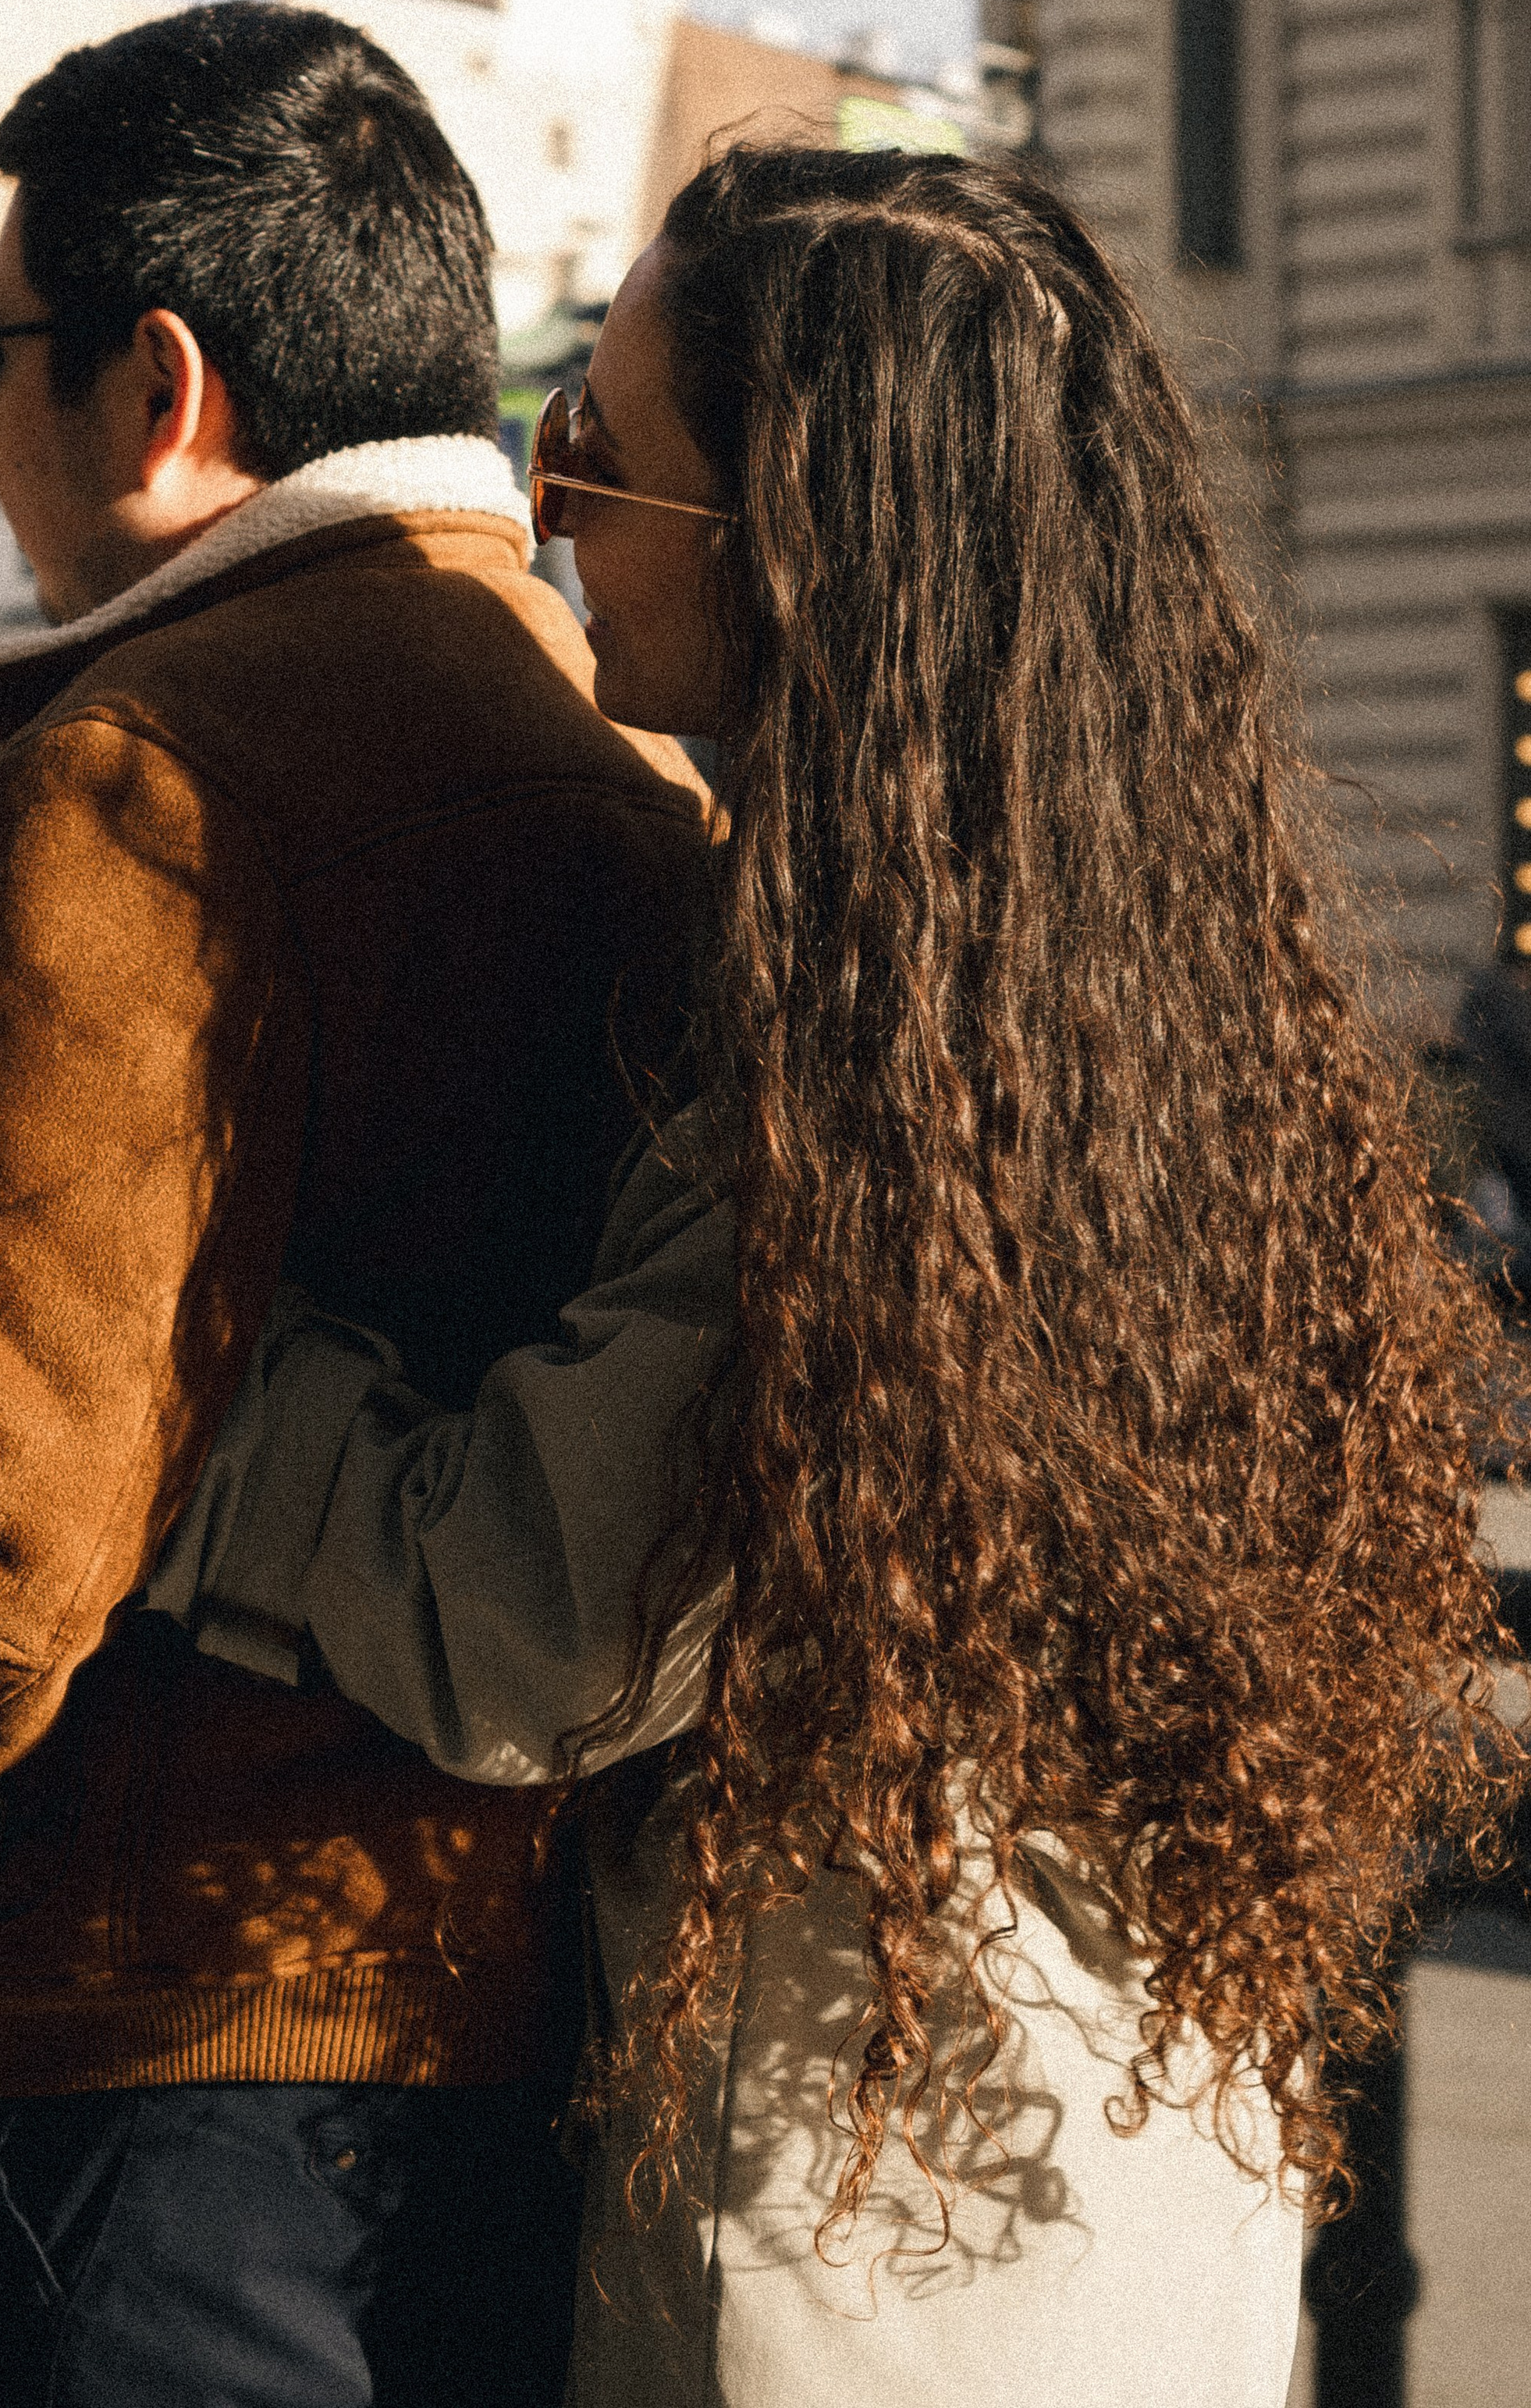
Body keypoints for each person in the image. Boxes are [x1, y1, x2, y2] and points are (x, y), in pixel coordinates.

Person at [156, 143, 1527, 2406]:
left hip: (852, 2264)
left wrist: (195, 1362)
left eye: (597, 441)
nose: (544, 498)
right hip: (1127, 2207)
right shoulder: (1154, 978)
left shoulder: (865, 1045)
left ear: (801, 529)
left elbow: (530, 1623)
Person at [0, 2, 709, 2408]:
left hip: (177, 2098)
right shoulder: (610, 756)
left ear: (155, 388)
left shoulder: (150, 761)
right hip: (523, 2063)